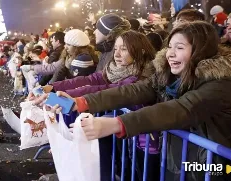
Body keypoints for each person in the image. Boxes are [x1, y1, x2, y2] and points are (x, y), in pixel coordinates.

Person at [35, 22, 231, 181]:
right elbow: (130, 92)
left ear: (200, 50)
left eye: (180, 47)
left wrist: (117, 123)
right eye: (170, 47)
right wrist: (79, 102)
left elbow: (182, 108)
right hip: (178, 161)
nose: (171, 54)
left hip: (214, 166)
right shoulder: (168, 75)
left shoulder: (219, 83)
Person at [36, 30, 158, 181]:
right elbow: (90, 80)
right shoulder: (113, 68)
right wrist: (53, 87)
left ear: (141, 51)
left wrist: (77, 100)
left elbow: (106, 90)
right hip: (128, 137)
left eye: (124, 49)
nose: (117, 54)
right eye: (116, 48)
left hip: (143, 141)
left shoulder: (143, 76)